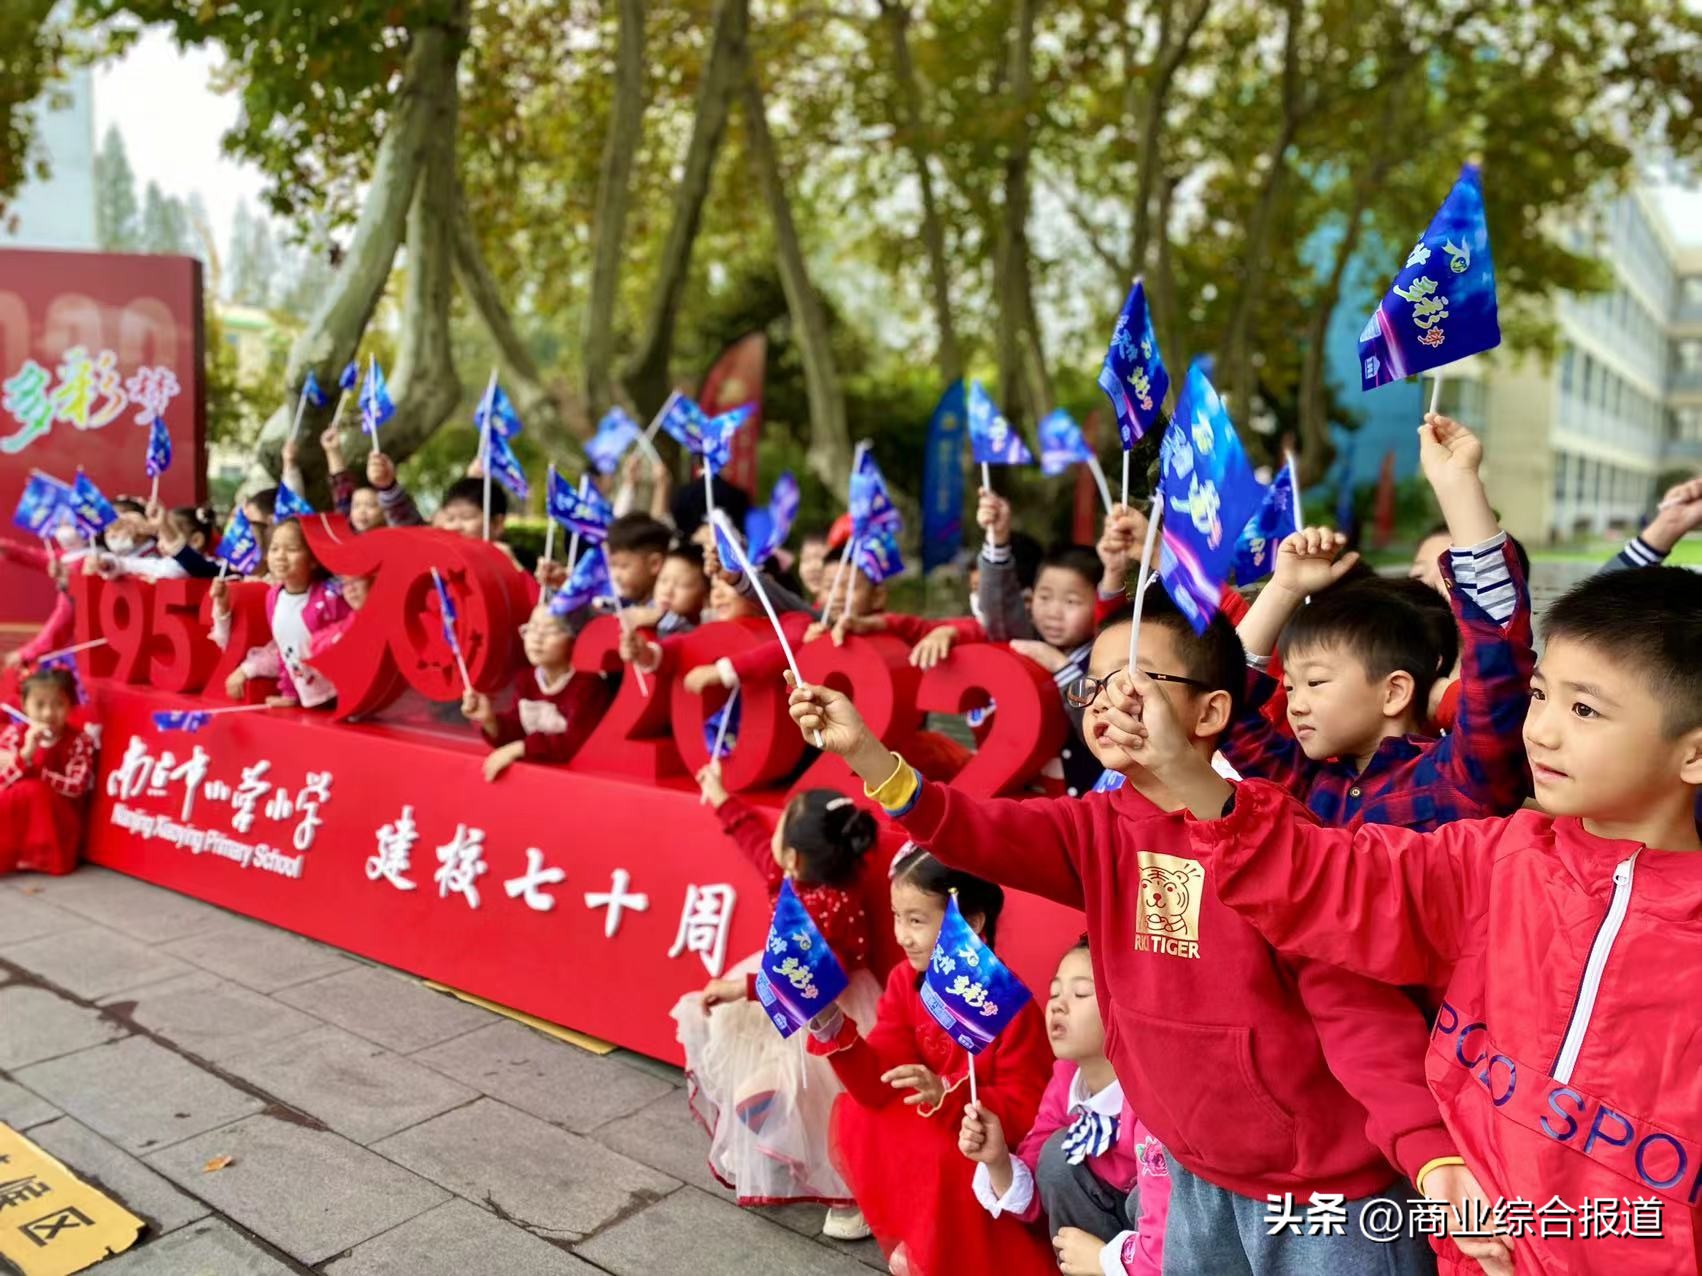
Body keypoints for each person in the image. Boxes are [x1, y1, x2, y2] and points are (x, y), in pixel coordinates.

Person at [788, 597, 1467, 1276]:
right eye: (1100, 683)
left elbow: (1357, 1010)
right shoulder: (1097, 828)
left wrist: (1429, 1151)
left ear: (1210, 715)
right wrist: (868, 754)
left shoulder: (1272, 841)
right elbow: (970, 828)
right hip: (1191, 1173)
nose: (1111, 700)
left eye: (1139, 681)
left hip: (1326, 1197)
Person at [1117, 564, 1702, 1276]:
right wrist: (1182, 772)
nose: (1540, 731)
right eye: (1541, 695)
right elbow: (1334, 881)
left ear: (1693, 750)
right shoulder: (1496, 861)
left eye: (1584, 711)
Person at [1223, 413, 1534, 829]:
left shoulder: (1460, 777)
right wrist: (1284, 589)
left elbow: (1498, 656)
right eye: (1292, 686)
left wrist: (1459, 487)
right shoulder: (1307, 786)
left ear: (1395, 691)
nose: (1295, 704)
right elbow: (1226, 702)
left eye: (1315, 683)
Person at [805, 846, 1056, 1276]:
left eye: (917, 920)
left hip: (985, 1147)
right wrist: (831, 1025)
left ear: (972, 923)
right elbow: (880, 1081)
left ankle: (941, 1247)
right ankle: (920, 1236)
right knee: (863, 1117)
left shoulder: (1010, 1005)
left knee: (942, 1151)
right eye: (897, 916)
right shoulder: (906, 982)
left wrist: (949, 1096)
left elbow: (1029, 1104)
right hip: (935, 1134)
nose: (902, 934)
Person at [673, 769, 883, 1236]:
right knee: (771, 1087)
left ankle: (852, 1196)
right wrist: (722, 798)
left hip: (828, 1012)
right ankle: (781, 1145)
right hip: (782, 997)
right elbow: (754, 844)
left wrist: (741, 988)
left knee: (826, 1102)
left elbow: (811, 985)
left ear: (793, 855)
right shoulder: (800, 876)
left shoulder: (835, 905)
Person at [959, 937, 1169, 1276]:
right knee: (1056, 1156)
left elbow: (1173, 1227)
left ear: (1124, 1007)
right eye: (1055, 993)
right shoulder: (1067, 1079)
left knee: (1151, 1191)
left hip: (1163, 1242)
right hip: (1104, 1231)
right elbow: (1040, 1189)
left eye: (1081, 993)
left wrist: (1106, 1261)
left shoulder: (1151, 1095)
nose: (1057, 1005)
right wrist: (997, 1161)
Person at [975, 489, 1105, 795]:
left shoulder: (1106, 661)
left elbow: (1095, 722)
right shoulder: (1028, 642)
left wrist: (1060, 667)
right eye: (1044, 597)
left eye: (1071, 601)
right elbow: (999, 613)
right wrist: (998, 538)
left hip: (1082, 809)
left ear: (1099, 604)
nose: (1053, 613)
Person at [211, 517, 351, 709]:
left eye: (291, 549)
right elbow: (285, 651)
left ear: (313, 560)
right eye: (274, 549)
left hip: (342, 696)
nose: (280, 556)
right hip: (311, 701)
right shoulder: (273, 597)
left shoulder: (332, 596)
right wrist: (290, 693)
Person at [460, 604, 612, 783]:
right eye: (531, 629)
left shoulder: (589, 686)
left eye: (549, 631)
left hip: (578, 783)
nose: (536, 639)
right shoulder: (526, 680)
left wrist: (519, 748)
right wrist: (489, 720)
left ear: (576, 638)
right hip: (536, 778)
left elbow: (574, 744)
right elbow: (518, 730)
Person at [0, 667, 96, 876]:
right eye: (39, 705)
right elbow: (2, 783)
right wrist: (25, 755)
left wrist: (36, 769)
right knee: (17, 792)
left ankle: (43, 856)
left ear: (71, 706)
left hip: (58, 821)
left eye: (59, 704)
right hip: (16, 817)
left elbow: (77, 787)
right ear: (24, 706)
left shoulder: (79, 741)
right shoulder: (15, 735)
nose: (48, 713)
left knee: (34, 789)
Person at [605, 514, 673, 606]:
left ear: (654, 564)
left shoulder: (672, 612)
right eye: (612, 565)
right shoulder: (627, 605)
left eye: (623, 566)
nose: (616, 576)